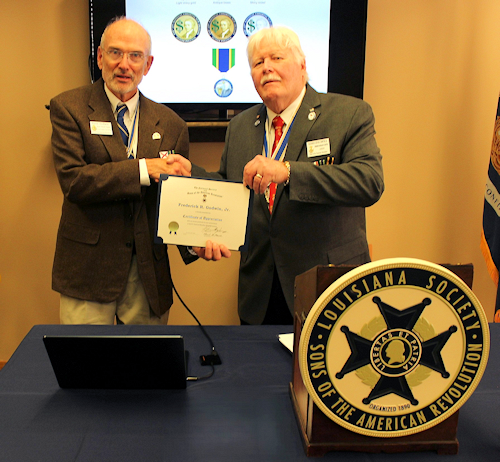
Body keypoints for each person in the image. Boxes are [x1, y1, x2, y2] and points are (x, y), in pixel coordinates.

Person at [191, 27, 384, 325]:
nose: (266, 67)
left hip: (327, 286)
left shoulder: (348, 113)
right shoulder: (240, 126)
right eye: (257, 63)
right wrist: (188, 182)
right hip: (261, 294)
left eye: (276, 57)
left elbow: (369, 181)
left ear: (303, 66)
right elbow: (230, 190)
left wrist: (288, 172)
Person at [50, 17, 229, 325]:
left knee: (145, 368)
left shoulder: (171, 123)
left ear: (148, 64)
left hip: (147, 271)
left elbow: (173, 200)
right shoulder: (69, 108)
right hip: (89, 270)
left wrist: (194, 240)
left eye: (135, 56)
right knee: (86, 366)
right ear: (100, 57)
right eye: (116, 53)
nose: (124, 64)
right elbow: (75, 182)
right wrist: (144, 169)